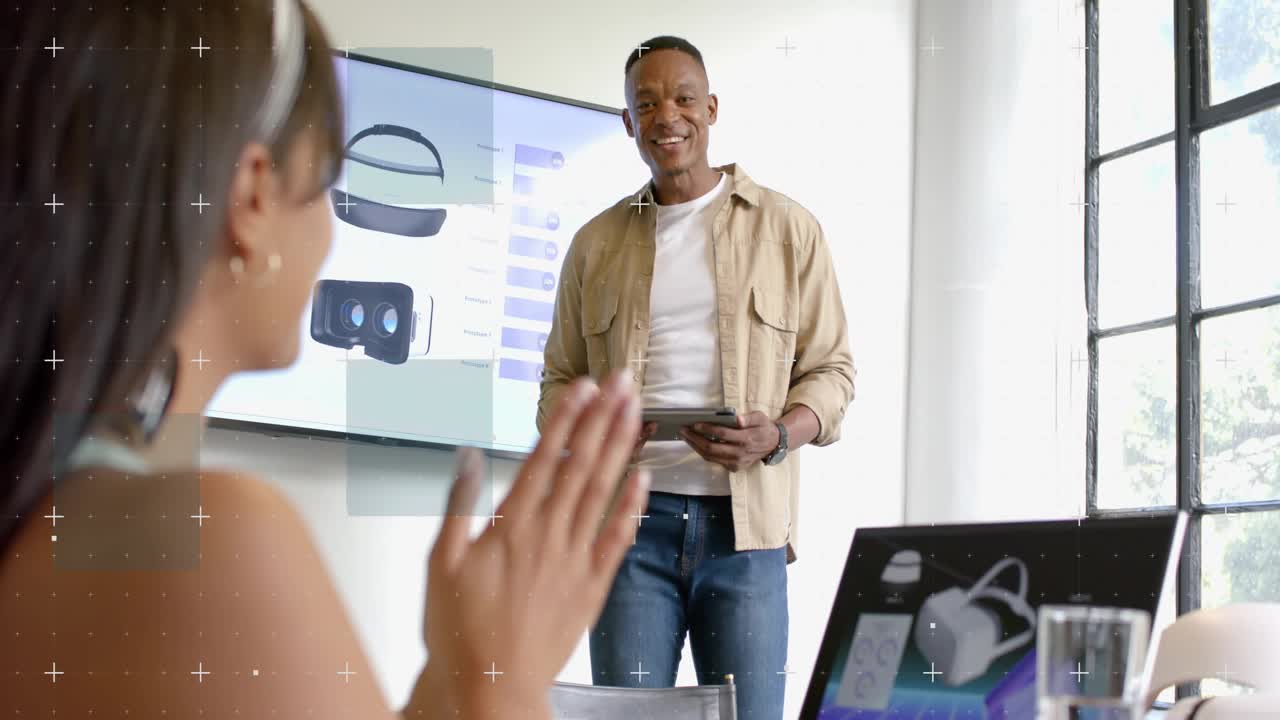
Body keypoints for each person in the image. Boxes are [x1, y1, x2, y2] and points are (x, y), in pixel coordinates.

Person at [0, 2, 650, 718]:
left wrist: (460, 670)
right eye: (326, 185)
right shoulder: (204, 545)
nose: (330, 236)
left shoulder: (56, 512)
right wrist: (504, 683)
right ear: (251, 198)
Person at [537, 35, 856, 719]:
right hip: (627, 528)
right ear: (628, 122)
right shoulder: (594, 245)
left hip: (748, 532)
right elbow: (557, 386)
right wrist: (595, 435)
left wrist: (776, 435)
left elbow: (832, 373)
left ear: (710, 109)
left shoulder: (789, 229)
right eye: (646, 104)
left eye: (682, 99)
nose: (666, 116)